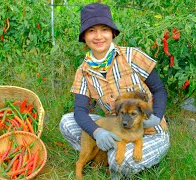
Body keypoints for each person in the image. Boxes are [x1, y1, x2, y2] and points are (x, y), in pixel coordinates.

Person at [59, 2, 170, 179]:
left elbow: (159, 90)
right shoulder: (84, 70)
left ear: (112, 33)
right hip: (116, 127)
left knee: (122, 160)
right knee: (67, 122)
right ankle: (104, 148)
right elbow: (80, 111)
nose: (98, 36)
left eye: (104, 29)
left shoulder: (132, 56)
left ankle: (112, 157)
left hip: (149, 133)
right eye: (91, 30)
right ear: (84, 37)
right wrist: (97, 132)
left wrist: (155, 117)